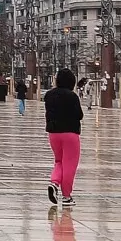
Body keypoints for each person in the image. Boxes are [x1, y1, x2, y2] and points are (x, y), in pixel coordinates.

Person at [44, 69, 83, 207]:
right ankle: (66, 196)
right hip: (70, 134)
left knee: (59, 161)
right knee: (69, 165)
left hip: (53, 134)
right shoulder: (72, 96)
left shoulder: (49, 95)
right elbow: (79, 115)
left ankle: (54, 183)